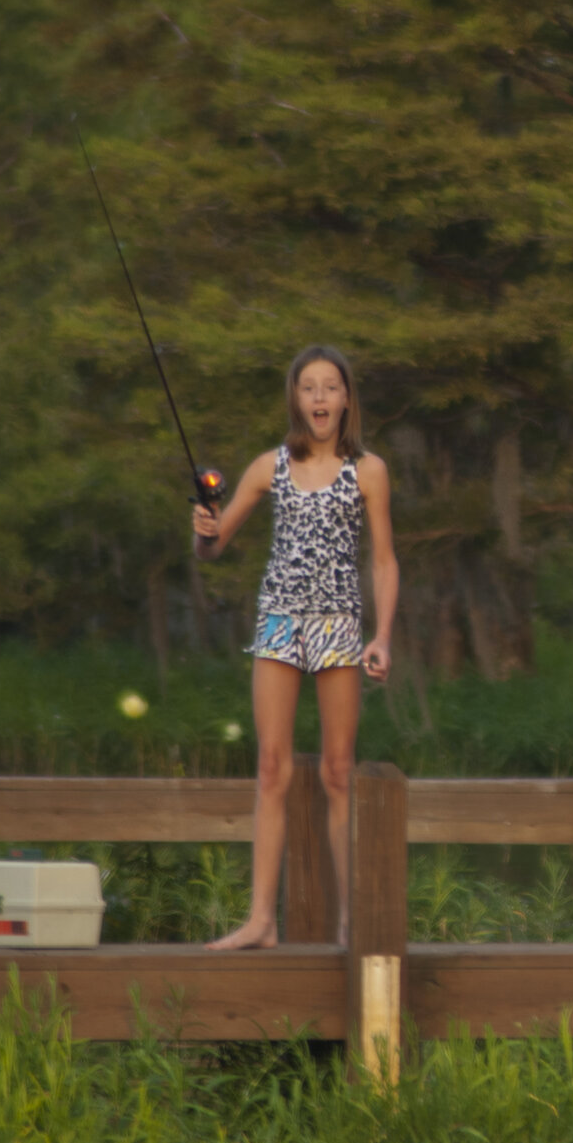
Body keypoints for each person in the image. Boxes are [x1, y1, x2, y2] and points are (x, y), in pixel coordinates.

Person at [191, 345, 398, 950]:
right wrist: (204, 529)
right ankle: (261, 920)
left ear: (346, 399)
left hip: (337, 623)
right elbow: (212, 548)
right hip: (280, 621)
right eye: (308, 388)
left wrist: (382, 635)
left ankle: (348, 922)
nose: (318, 398)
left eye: (329, 388)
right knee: (272, 768)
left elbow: (384, 561)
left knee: (338, 772)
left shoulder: (369, 470)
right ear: (296, 400)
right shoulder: (269, 466)